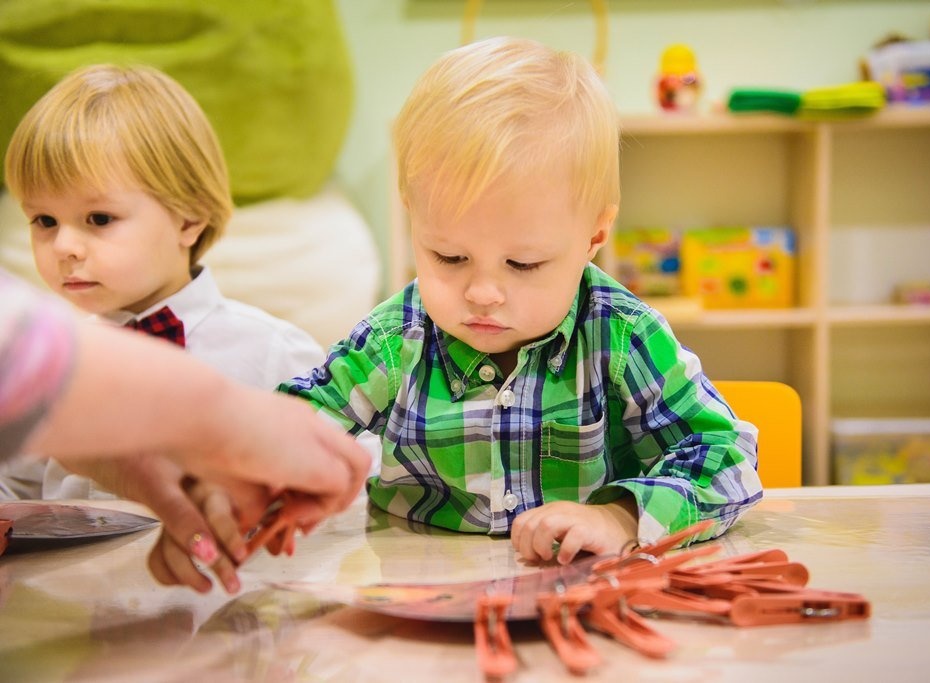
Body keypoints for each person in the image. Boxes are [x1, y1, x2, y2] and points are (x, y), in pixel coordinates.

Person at [278, 37, 763, 566]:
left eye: (523, 265)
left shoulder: (621, 335)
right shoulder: (396, 339)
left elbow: (728, 457)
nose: (482, 293)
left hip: (585, 588)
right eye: (448, 257)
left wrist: (619, 517)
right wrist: (259, 471)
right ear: (412, 216)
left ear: (594, 236)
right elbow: (298, 424)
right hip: (418, 587)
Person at [0, 63, 327, 504]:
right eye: (44, 220)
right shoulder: (47, 368)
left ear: (189, 218)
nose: (63, 246)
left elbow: (343, 476)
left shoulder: (276, 353)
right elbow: (16, 483)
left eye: (99, 218)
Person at [0, 268, 371, 590]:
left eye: (100, 218)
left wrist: (119, 463)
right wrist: (219, 413)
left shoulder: (275, 345)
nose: (65, 246)